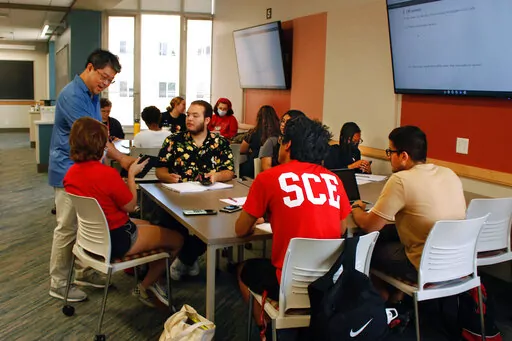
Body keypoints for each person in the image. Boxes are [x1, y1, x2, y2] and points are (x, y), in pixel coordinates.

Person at [236, 115, 352, 326]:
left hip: (289, 283)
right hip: (329, 282)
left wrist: (266, 215)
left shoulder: (268, 178)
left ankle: (266, 330)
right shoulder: (333, 179)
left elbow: (241, 230)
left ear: (288, 144)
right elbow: (342, 228)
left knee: (243, 269)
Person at [64, 117, 183, 307]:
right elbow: (131, 207)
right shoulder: (107, 174)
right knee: (177, 239)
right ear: (99, 144)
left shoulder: (70, 174)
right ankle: (146, 286)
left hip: (90, 239)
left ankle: (149, 276)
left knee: (151, 226)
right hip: (118, 239)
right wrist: (131, 175)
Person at [48, 49, 134, 302]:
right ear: (89, 68)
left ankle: (85, 273)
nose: (105, 84)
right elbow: (93, 137)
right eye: (104, 77)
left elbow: (101, 135)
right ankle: (59, 283)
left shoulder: (92, 93)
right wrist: (121, 158)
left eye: (111, 81)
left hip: (87, 170)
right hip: (69, 170)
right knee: (67, 228)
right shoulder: (73, 96)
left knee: (87, 225)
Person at [351, 125, 466, 304]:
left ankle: (383, 298)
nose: (388, 157)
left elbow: (369, 225)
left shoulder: (400, 180)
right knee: (389, 235)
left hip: (422, 265)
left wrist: (356, 209)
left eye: (390, 152)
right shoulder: (449, 173)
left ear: (404, 156)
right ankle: (398, 295)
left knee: (364, 244)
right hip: (459, 261)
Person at [155, 100, 235, 280]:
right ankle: (186, 260)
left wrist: (216, 176)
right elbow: (160, 169)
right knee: (172, 227)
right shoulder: (174, 140)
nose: (189, 119)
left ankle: (185, 259)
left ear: (207, 120)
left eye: (195, 116)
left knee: (216, 226)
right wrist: (168, 176)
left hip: (210, 198)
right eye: (188, 115)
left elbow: (229, 171)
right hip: (177, 199)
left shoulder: (219, 142)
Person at [239, 105, 280, 177]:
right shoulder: (279, 133)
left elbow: (242, 149)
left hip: (252, 166)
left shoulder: (253, 132)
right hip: (274, 165)